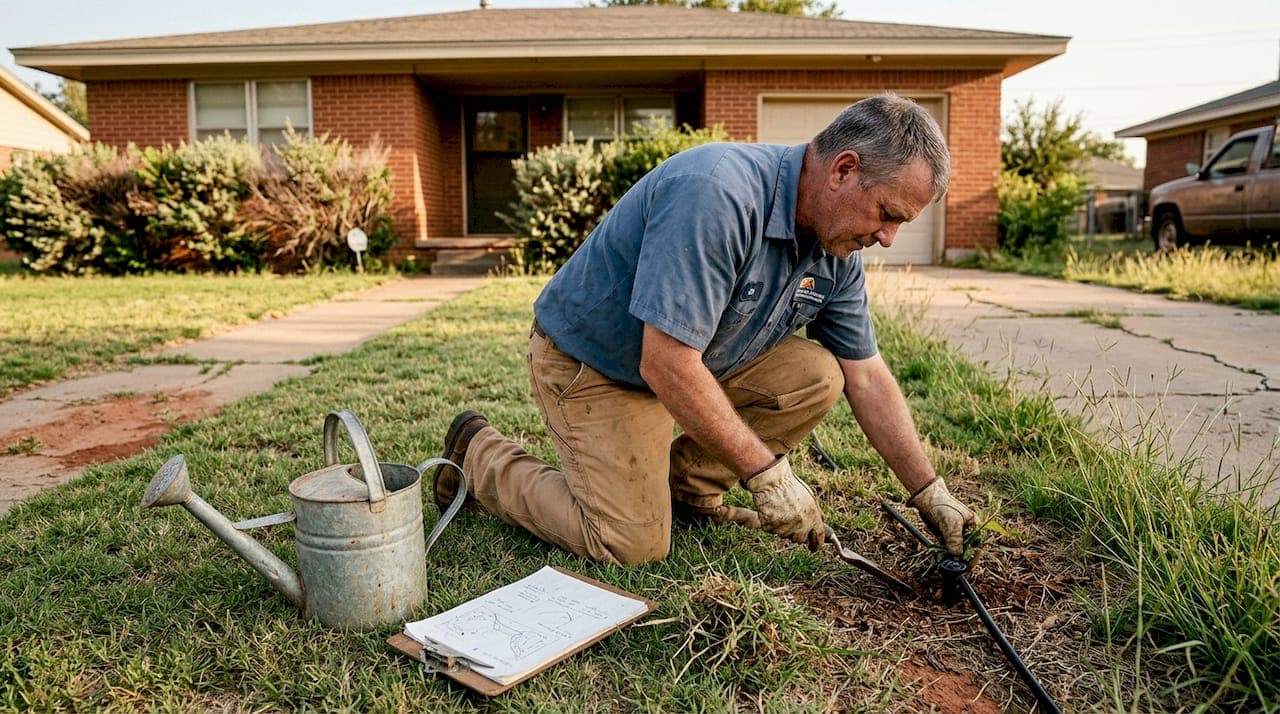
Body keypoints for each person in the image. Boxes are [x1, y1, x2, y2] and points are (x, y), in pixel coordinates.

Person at [435, 93, 976, 566]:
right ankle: (478, 457)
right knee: (629, 543)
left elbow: (868, 376)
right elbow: (665, 362)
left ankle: (690, 492)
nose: (888, 238)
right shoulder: (717, 194)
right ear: (843, 169)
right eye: (888, 214)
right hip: (597, 366)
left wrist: (930, 491)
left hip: (687, 364)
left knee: (818, 374)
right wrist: (768, 474)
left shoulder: (837, 251)